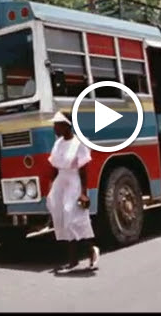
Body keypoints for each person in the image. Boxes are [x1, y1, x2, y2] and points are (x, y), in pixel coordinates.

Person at [46, 111, 100, 273]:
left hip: (74, 182)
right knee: (61, 218)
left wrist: (84, 193)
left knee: (73, 217)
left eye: (57, 124)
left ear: (66, 125)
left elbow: (83, 171)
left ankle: (91, 250)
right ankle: (73, 260)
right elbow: (55, 168)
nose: (54, 127)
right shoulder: (58, 143)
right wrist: (52, 189)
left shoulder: (79, 143)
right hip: (60, 182)